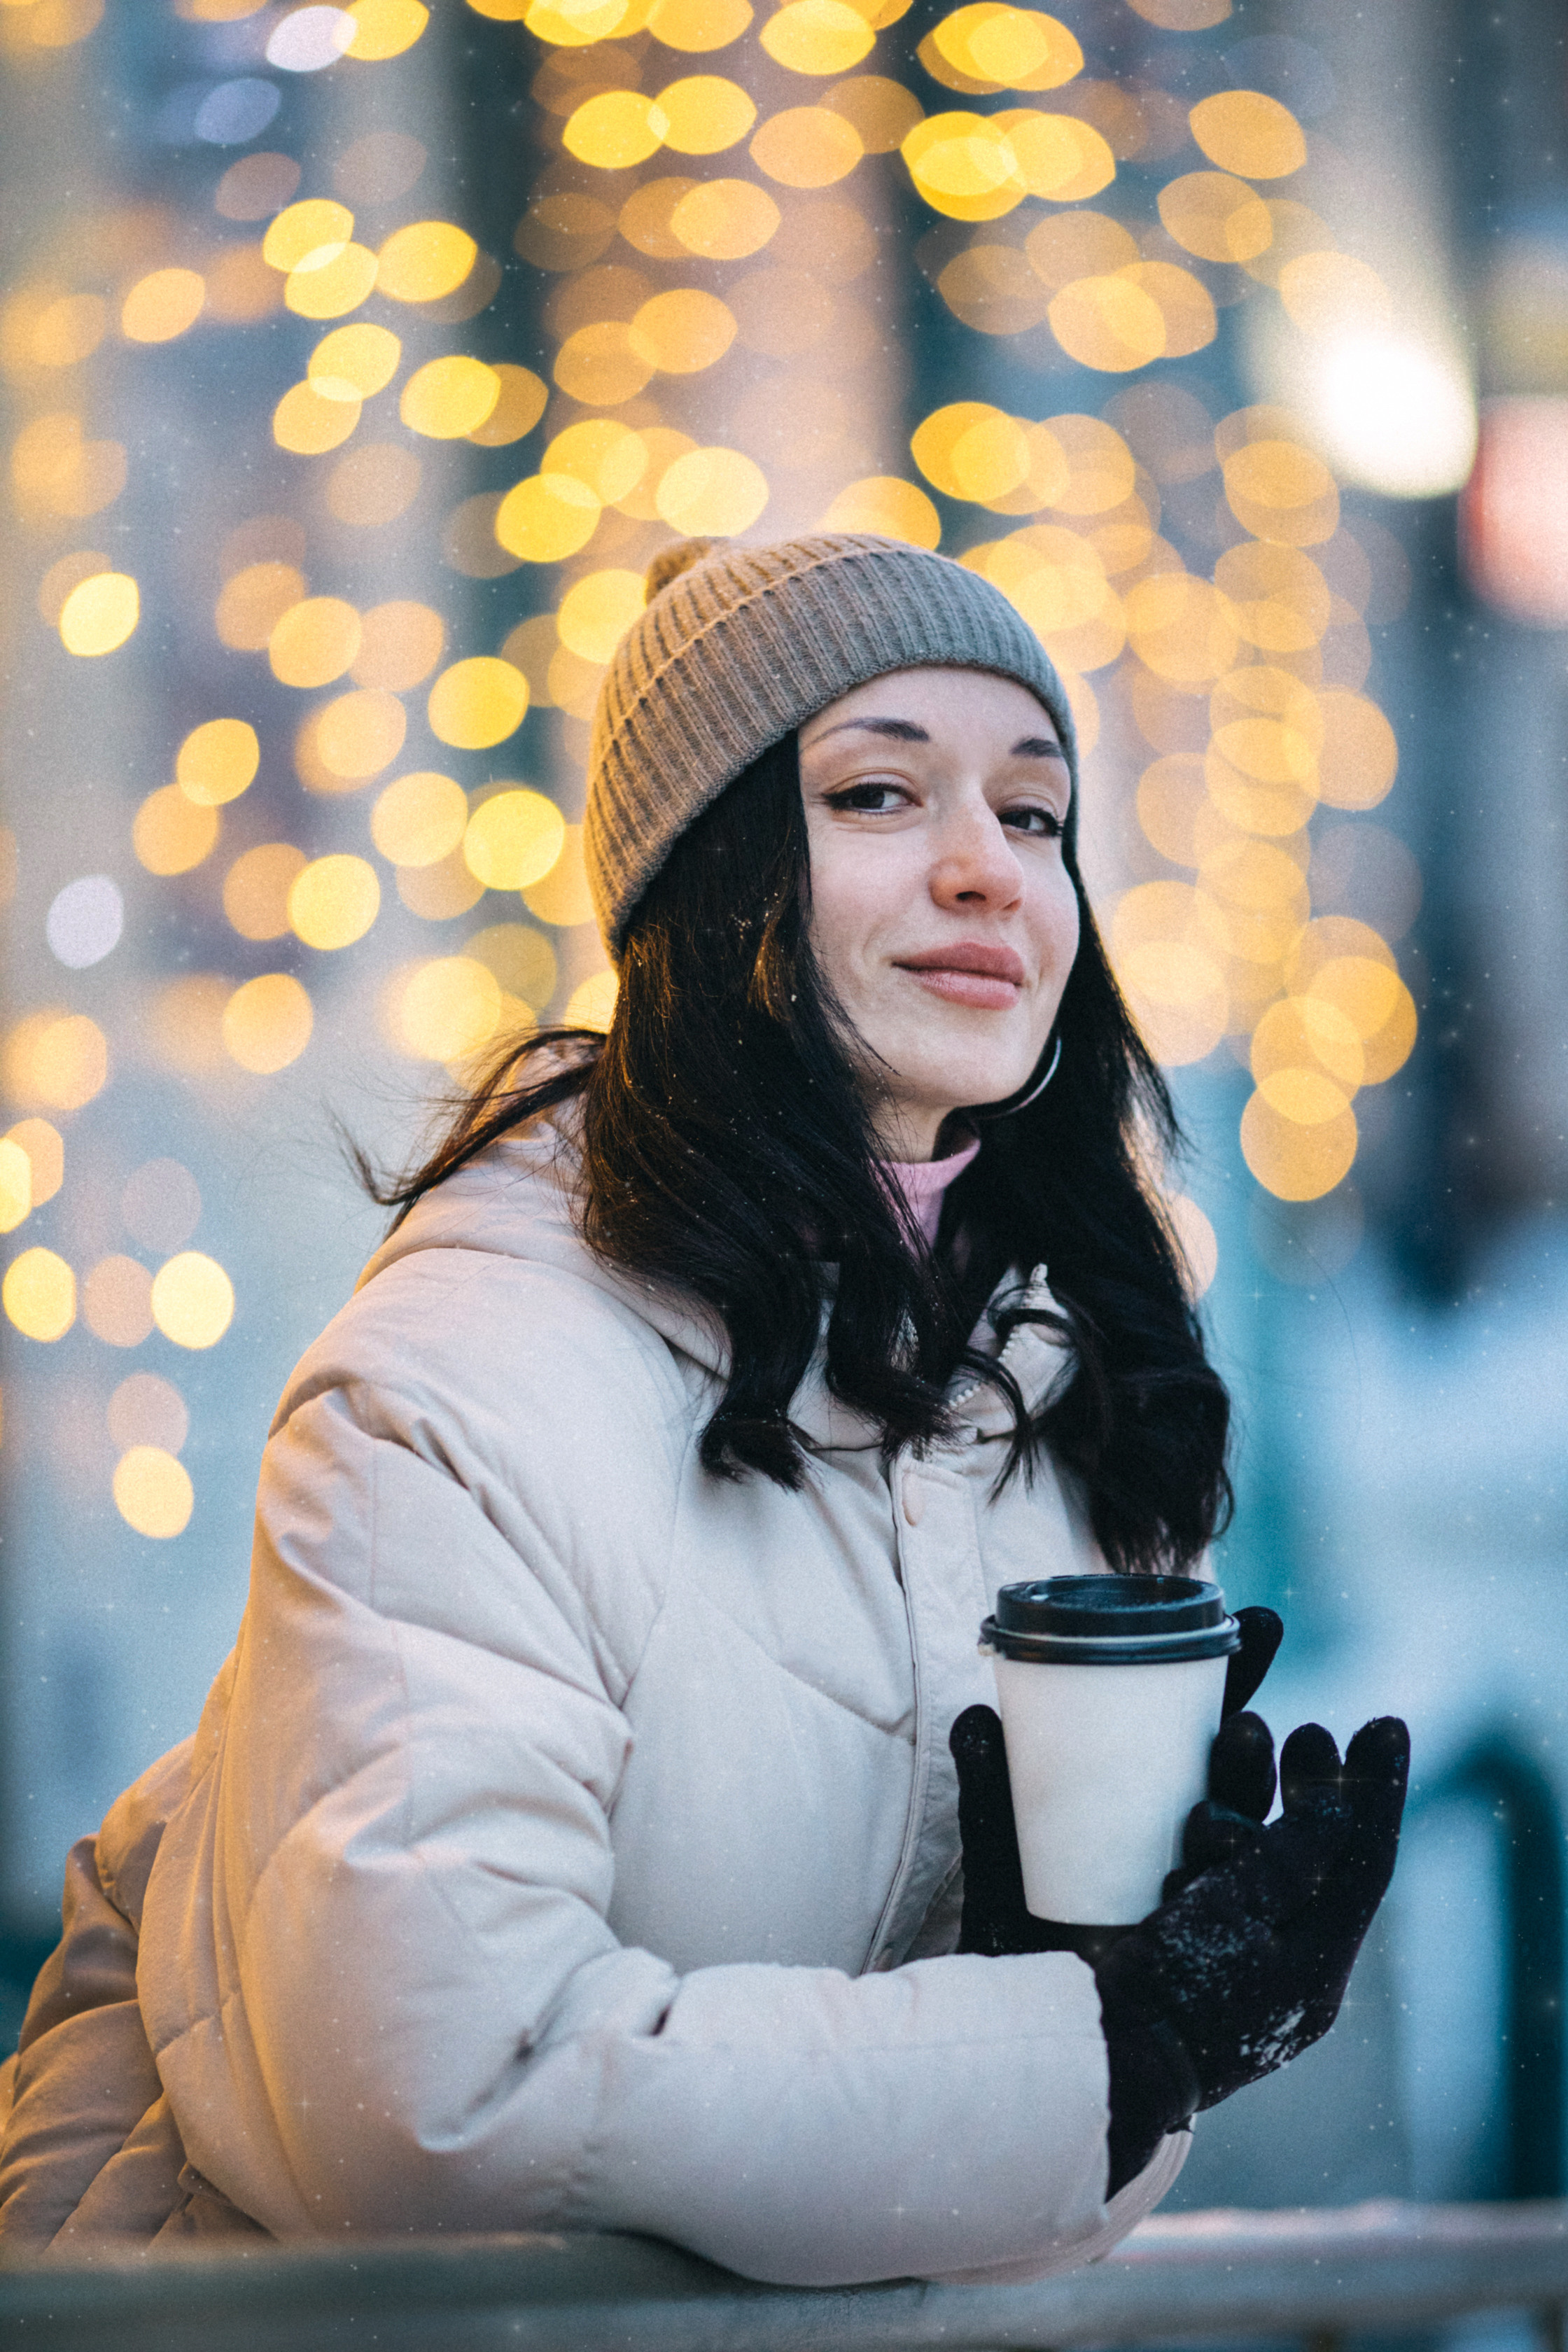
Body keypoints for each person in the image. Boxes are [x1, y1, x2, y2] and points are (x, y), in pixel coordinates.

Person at [0, 533, 1408, 2274]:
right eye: (881, 796)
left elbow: (991, 2187)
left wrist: (1103, 1990)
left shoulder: (1054, 1395)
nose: (990, 870)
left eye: (1034, 816)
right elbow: (431, 2105)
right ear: (714, 879)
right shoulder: (464, 1383)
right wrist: (1093, 2056)